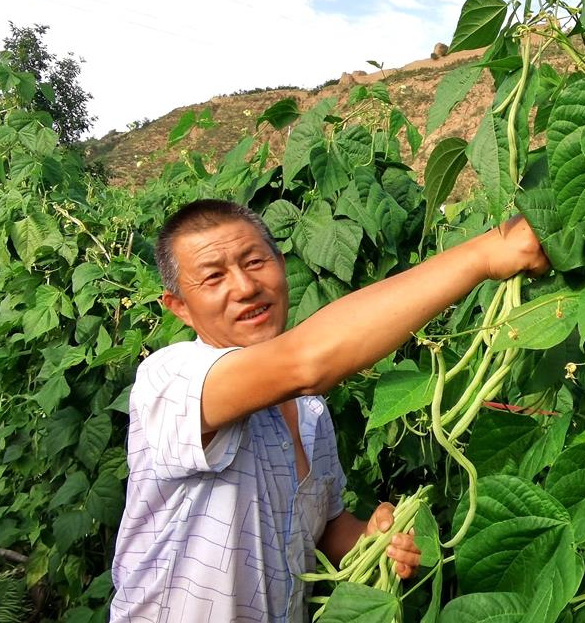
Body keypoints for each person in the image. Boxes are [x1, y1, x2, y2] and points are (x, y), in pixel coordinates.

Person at [109, 198, 549, 622]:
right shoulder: (171, 379)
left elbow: (323, 529)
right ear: (179, 307)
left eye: (255, 262)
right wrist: (485, 254)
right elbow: (305, 362)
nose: (244, 287)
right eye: (213, 277)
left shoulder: (309, 411)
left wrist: (372, 537)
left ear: (282, 265)